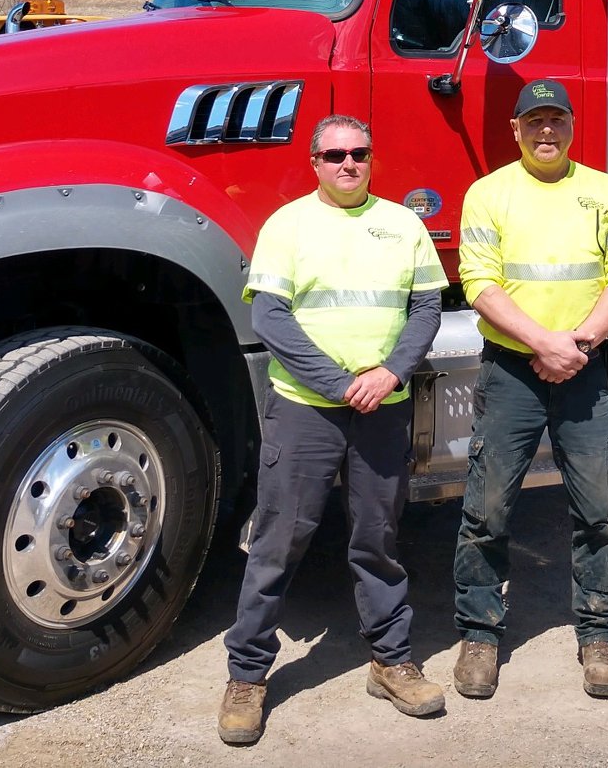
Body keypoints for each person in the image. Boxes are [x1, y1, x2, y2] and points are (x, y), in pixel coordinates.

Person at [218, 114, 447, 746]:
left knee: (379, 539)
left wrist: (392, 372)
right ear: (314, 162)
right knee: (278, 542)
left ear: (373, 159)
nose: (348, 164)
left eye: (359, 154)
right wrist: (340, 382)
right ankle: (247, 675)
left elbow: (426, 307)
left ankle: (391, 660)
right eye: (334, 155)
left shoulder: (402, 225)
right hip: (306, 410)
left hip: (383, 405)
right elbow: (271, 317)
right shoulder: (288, 224)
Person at [451, 79, 608, 701]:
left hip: (583, 368)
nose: (545, 132)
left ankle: (601, 633)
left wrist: (578, 344)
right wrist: (544, 342)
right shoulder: (488, 194)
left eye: (556, 119)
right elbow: (478, 282)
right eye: (532, 121)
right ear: (515, 130)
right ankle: (479, 633)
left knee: (598, 508)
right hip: (512, 371)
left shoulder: (605, 193)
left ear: (571, 125)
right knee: (488, 507)